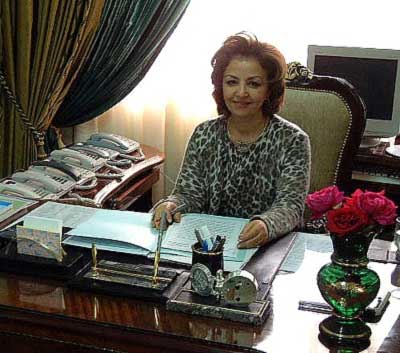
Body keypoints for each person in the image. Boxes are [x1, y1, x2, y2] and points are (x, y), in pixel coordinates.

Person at [152, 32, 311, 249]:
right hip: (210, 247)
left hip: (268, 247)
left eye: (253, 84)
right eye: (231, 82)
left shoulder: (293, 140)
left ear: (269, 91)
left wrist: (266, 224)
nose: (241, 93)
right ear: (221, 86)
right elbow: (189, 194)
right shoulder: (204, 134)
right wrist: (171, 204)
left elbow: (290, 207)